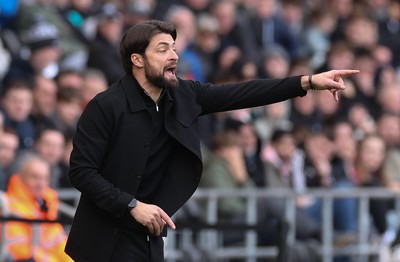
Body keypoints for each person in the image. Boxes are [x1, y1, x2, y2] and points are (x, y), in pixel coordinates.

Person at [64, 19, 359, 261]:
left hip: (148, 236)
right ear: (137, 60)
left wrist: (307, 82)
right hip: (102, 240)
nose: (174, 56)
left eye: (174, 48)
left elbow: (244, 93)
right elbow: (81, 172)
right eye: (163, 49)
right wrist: (132, 205)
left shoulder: (186, 95)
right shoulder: (105, 106)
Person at [0, 155, 72, 261]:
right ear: (21, 178)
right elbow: (19, 251)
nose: (41, 183)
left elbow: (60, 244)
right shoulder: (9, 207)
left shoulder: (47, 204)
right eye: (35, 177)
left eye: (45, 178)